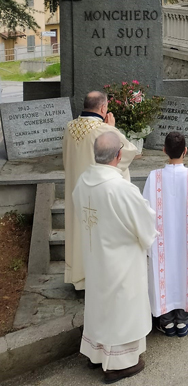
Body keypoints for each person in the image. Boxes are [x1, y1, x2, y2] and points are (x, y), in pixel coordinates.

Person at [73, 132, 157, 382]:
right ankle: (120, 363)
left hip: (96, 257)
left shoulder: (82, 181)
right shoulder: (121, 188)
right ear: (119, 156)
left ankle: (96, 354)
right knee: (122, 308)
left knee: (100, 305)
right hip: (121, 261)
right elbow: (145, 222)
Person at [62, 90, 139, 290]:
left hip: (76, 190)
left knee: (79, 231)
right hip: (98, 192)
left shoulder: (70, 127)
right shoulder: (103, 130)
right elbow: (129, 152)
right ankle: (96, 277)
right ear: (103, 108)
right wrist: (111, 129)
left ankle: (78, 276)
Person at [143, 132, 188, 338]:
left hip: (161, 238)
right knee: (185, 270)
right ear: (186, 151)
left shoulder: (153, 177)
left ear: (164, 150)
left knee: (162, 271)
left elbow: (146, 206)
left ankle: (165, 319)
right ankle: (183, 318)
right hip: (185, 237)